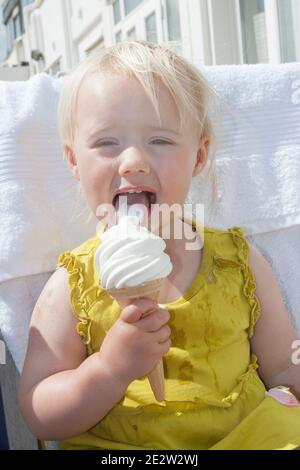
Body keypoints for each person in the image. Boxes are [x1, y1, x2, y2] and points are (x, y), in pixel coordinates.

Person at [18, 40, 300, 450]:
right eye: (107, 143)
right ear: (74, 162)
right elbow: (38, 412)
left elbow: (285, 365)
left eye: (161, 141)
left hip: (243, 438)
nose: (132, 160)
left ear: (199, 156)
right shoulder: (73, 283)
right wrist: (109, 371)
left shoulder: (238, 262)